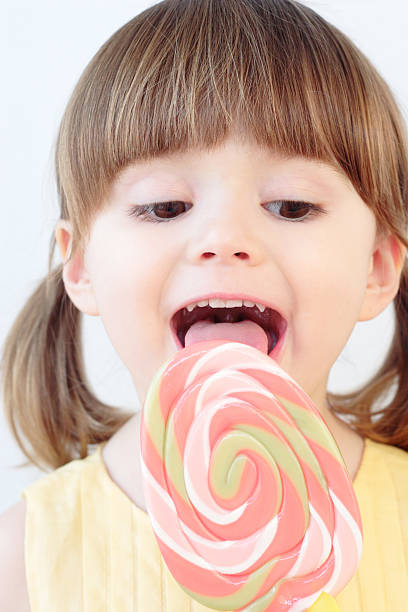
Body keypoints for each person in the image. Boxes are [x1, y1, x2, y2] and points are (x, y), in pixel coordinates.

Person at [1, 0, 408, 609]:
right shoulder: (25, 556)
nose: (225, 240)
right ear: (79, 266)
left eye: (292, 205)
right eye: (164, 206)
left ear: (377, 269)